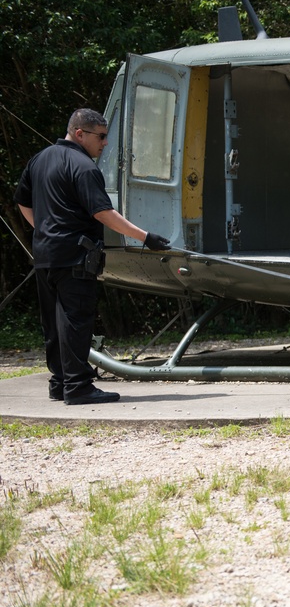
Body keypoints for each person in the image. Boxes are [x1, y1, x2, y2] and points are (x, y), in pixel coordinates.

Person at [13, 108, 172, 406]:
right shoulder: (83, 166)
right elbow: (102, 212)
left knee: (54, 321)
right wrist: (145, 237)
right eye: (100, 137)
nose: (105, 144)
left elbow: (22, 201)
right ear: (79, 134)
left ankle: (59, 383)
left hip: (46, 254)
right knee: (75, 320)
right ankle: (78, 387)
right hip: (75, 256)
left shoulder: (40, 159)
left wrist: (45, 229)